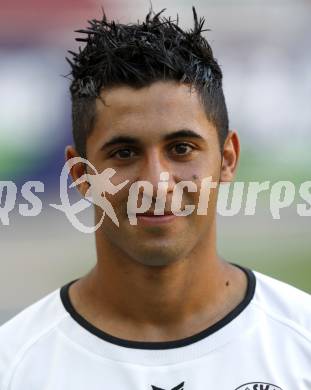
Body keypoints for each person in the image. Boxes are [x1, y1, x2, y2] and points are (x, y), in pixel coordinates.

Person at [0, 7, 310, 390]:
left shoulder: (301, 342)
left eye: (181, 148)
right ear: (80, 175)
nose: (156, 183)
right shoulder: (13, 364)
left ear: (227, 159)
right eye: (125, 153)